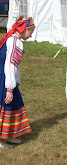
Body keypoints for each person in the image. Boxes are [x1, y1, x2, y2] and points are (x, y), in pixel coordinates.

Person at [0, 16, 35, 149]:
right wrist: (9, 88)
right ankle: (1, 140)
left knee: (14, 104)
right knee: (7, 105)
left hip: (7, 78)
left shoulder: (11, 39)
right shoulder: (15, 42)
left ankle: (8, 134)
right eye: (30, 32)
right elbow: (10, 65)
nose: (31, 36)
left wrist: (17, 84)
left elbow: (15, 66)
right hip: (5, 79)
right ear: (24, 30)